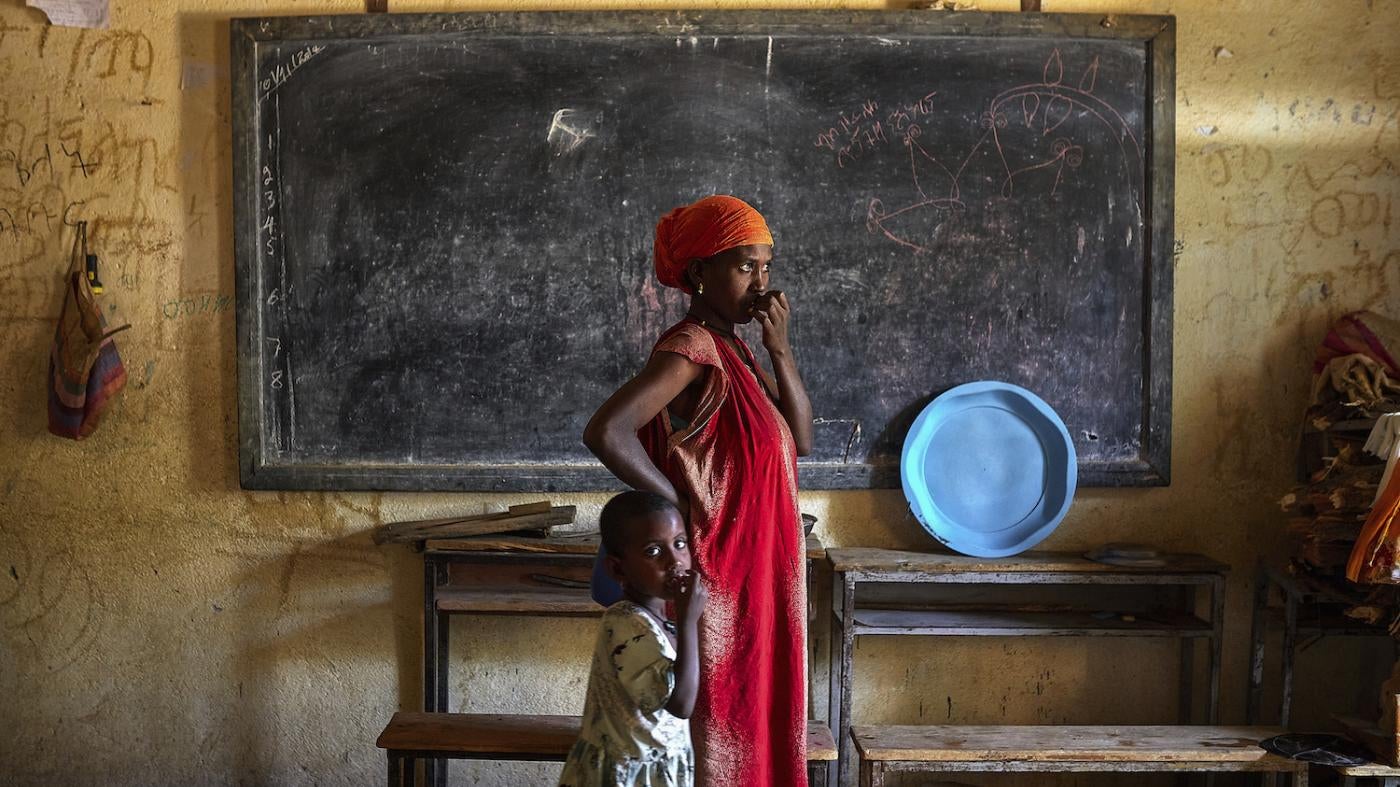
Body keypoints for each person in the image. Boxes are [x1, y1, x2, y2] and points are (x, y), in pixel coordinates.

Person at [583, 195, 813, 786]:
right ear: (698, 274)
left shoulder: (738, 350)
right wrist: (680, 510)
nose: (760, 284)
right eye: (743, 267)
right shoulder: (692, 349)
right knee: (722, 725)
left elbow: (802, 440)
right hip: (722, 576)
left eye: (766, 266)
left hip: (761, 572)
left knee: (760, 717)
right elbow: (608, 431)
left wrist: (780, 350)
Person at [559, 490, 708, 787]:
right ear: (617, 568)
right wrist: (689, 620)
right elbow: (680, 704)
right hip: (623, 775)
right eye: (653, 551)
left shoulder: (659, 621)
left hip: (654, 769)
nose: (675, 561)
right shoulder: (625, 622)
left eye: (680, 544)